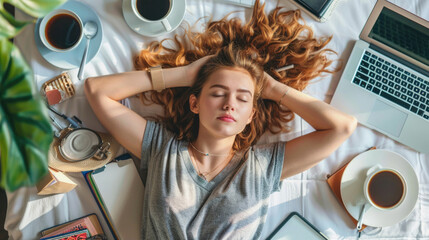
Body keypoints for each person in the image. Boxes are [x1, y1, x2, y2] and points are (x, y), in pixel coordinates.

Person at [84, 2, 357, 239]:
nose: (229, 103)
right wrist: (183, 75)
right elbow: (97, 91)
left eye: (242, 98)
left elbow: (341, 127)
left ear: (250, 115)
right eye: (217, 93)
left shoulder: (260, 167)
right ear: (195, 103)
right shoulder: (162, 149)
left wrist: (272, 89)